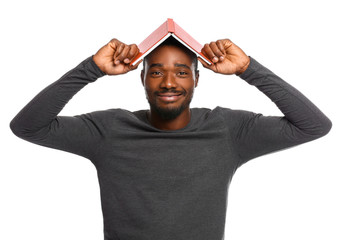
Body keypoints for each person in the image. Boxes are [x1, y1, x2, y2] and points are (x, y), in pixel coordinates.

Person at [10, 36, 332, 240]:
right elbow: (28, 127)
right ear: (142, 78)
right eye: (155, 71)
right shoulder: (109, 130)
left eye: (181, 71)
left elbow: (312, 125)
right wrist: (91, 68)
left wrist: (247, 68)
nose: (168, 82)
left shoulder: (228, 130)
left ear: (196, 78)